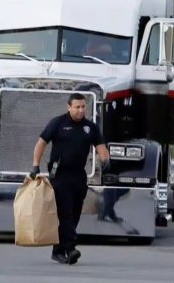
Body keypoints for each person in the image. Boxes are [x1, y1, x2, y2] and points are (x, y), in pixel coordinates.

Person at [30, 93, 110, 265]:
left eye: (83, 107)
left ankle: (58, 251)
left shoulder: (90, 127)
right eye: (77, 107)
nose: (81, 110)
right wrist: (35, 165)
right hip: (59, 175)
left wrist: (106, 160)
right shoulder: (57, 123)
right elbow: (41, 143)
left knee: (74, 213)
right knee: (65, 211)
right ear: (69, 107)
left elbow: (100, 146)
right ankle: (71, 248)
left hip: (78, 175)